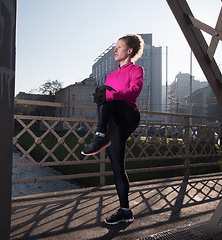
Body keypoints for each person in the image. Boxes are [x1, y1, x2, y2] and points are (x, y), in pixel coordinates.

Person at [81, 34, 144, 225]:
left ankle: (100, 135)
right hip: (114, 123)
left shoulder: (136, 69)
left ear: (129, 50)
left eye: (119, 47)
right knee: (117, 167)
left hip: (129, 115)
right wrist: (104, 97)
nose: (115, 50)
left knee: (107, 92)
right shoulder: (110, 75)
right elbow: (105, 99)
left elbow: (134, 91)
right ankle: (125, 211)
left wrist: (111, 95)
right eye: (115, 47)